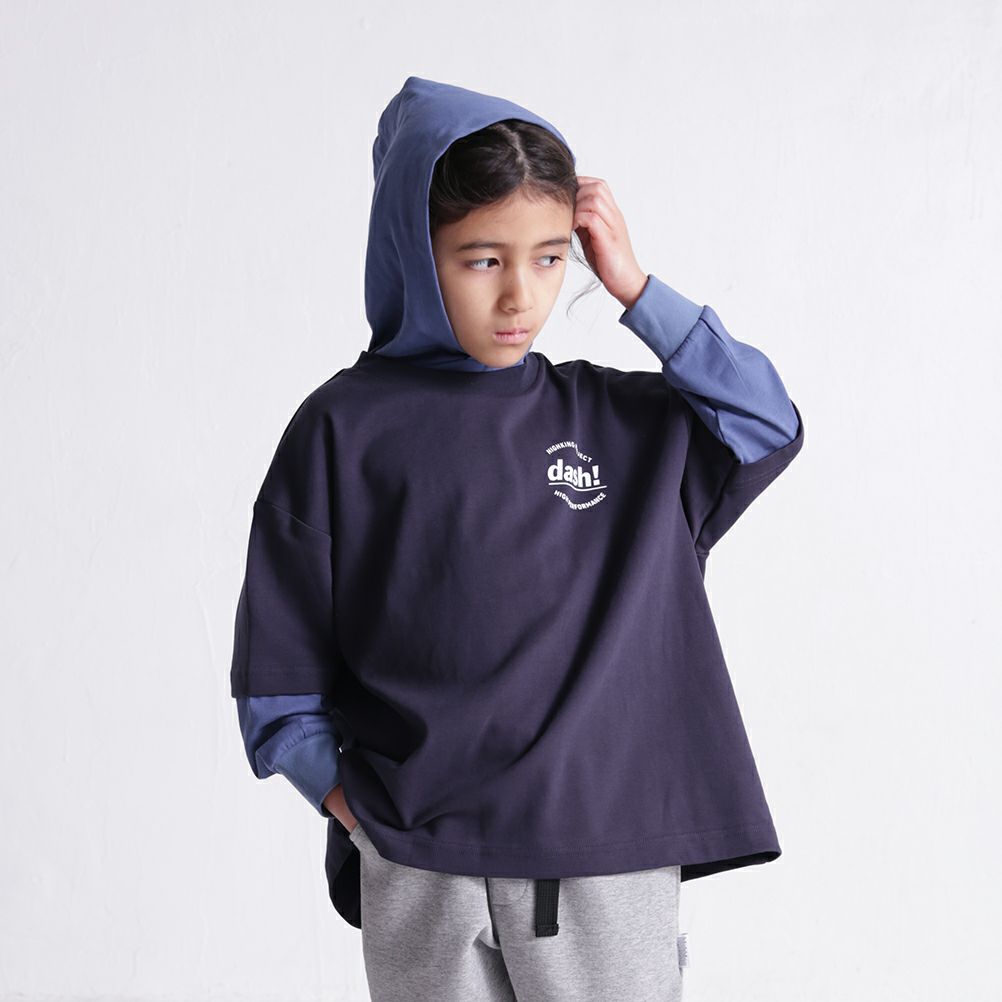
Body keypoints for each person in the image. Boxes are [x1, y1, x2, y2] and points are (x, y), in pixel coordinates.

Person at [229, 75, 804, 1002]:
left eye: (548, 258)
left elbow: (764, 423)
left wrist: (636, 287)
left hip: (606, 857)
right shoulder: (340, 431)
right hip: (422, 868)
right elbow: (279, 679)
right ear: (414, 251)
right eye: (482, 259)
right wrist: (361, 815)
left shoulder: (615, 423)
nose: (519, 296)